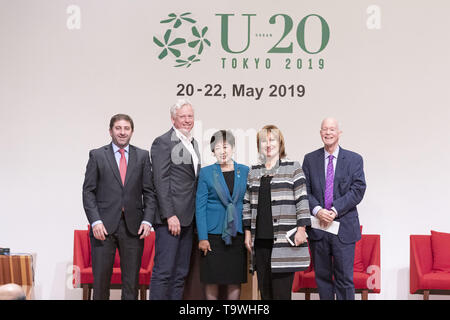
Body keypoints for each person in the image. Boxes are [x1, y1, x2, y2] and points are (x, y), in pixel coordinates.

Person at [82, 114, 156, 300]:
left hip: (133, 227)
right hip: (103, 228)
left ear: (132, 131)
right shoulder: (97, 155)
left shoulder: (142, 156)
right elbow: (88, 192)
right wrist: (95, 221)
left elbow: (149, 192)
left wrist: (148, 220)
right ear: (110, 131)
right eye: (118, 128)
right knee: (100, 285)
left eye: (126, 128)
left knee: (131, 285)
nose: (122, 132)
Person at [243, 125, 311, 300]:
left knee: (281, 295)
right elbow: (247, 203)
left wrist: (302, 229)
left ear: (280, 143)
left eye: (272, 139)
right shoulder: (254, 171)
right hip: (260, 242)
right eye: (264, 141)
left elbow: (302, 200)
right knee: (265, 295)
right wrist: (247, 234)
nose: (268, 144)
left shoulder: (293, 167)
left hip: (284, 243)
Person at [302, 117, 366, 300]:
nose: (328, 133)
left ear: (339, 133)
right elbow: (304, 191)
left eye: (332, 129)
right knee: (322, 279)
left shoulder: (354, 159)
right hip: (319, 228)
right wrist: (317, 210)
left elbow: (358, 189)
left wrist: (335, 210)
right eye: (324, 129)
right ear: (320, 133)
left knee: (344, 279)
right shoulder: (310, 159)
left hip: (343, 228)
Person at [150, 99, 201, 300]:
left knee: (180, 273)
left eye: (190, 116)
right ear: (173, 119)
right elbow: (160, 181)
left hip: (188, 218)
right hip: (170, 220)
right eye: (183, 117)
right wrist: (170, 214)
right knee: (164, 272)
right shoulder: (162, 142)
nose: (187, 120)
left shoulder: (193, 143)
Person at [195, 130, 249, 300]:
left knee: (235, 280)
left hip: (237, 233)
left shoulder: (245, 171)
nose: (222, 151)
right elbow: (200, 207)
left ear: (232, 148)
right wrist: (202, 237)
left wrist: (248, 232)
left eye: (225, 147)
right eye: (217, 148)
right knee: (212, 280)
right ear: (212, 151)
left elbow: (249, 203)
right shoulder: (206, 172)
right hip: (212, 235)